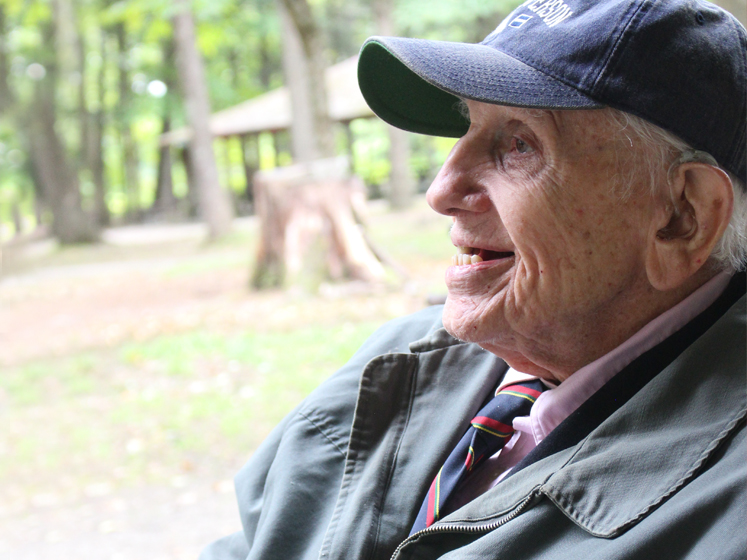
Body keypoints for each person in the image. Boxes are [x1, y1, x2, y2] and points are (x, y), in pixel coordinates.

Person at [201, 1, 746, 558]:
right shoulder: (397, 359)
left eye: (518, 144)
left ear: (683, 216)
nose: (441, 190)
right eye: (467, 126)